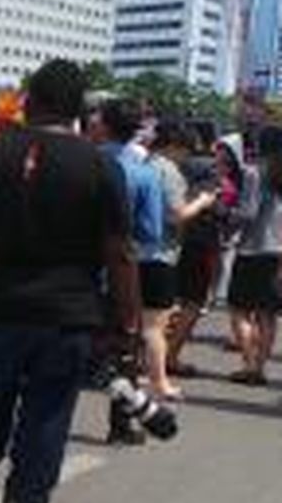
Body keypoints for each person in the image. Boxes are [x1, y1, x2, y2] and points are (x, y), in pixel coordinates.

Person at [0, 59, 139, 503]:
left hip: (0, 307)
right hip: (68, 313)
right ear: (78, 111)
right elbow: (119, 253)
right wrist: (126, 320)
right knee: (48, 411)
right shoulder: (100, 167)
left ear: (29, 101)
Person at [90, 98, 167, 442]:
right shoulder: (145, 174)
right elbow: (152, 232)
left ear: (102, 125)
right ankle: (120, 426)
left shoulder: (81, 162)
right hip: (119, 273)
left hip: (70, 273)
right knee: (122, 351)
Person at [140, 119, 218, 399]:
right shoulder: (168, 171)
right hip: (159, 252)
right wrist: (203, 202)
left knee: (137, 321)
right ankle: (159, 381)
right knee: (155, 326)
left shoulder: (143, 163)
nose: (187, 158)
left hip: (134, 251)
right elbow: (177, 214)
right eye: (186, 151)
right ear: (175, 146)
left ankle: (135, 371)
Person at [226, 125, 282, 386]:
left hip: (253, 249)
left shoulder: (254, 173)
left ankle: (249, 366)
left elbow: (247, 213)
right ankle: (260, 367)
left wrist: (225, 214)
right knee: (267, 313)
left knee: (239, 309)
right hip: (277, 249)